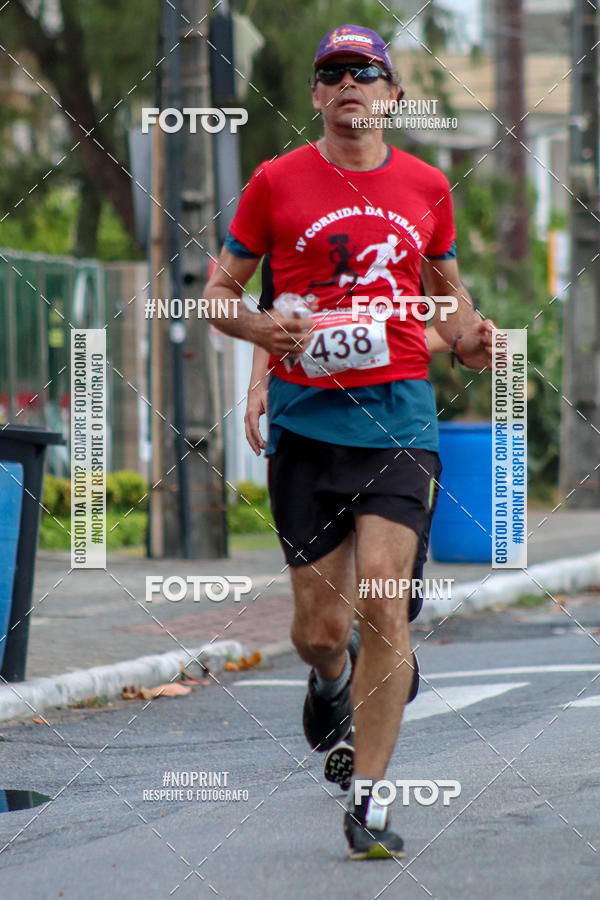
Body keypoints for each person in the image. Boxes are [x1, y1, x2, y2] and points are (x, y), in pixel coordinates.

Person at [205, 24, 494, 859]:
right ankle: (331, 679)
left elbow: (445, 294)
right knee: (320, 628)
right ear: (315, 96)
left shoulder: (427, 186)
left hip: (400, 421)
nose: (348, 86)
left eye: (365, 72)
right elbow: (218, 294)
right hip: (307, 428)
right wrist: (261, 327)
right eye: (331, 73)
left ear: (393, 95)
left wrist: (472, 337)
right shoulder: (274, 182)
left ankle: (369, 798)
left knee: (382, 595)